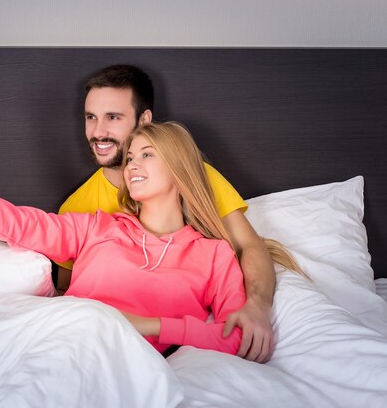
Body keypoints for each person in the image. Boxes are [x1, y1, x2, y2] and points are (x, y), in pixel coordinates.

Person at [0, 99, 246, 355]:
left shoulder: (214, 255)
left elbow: (235, 337)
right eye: (130, 157)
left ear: (179, 168)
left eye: (147, 155)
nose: (131, 165)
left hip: (120, 360)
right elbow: (11, 222)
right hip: (59, 341)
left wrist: (148, 326)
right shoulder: (95, 228)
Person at [58, 64, 278, 363]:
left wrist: (257, 306)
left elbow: (249, 245)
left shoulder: (192, 177)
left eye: (113, 117)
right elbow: (65, 291)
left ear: (144, 120)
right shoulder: (77, 206)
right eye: (91, 117)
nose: (98, 132)